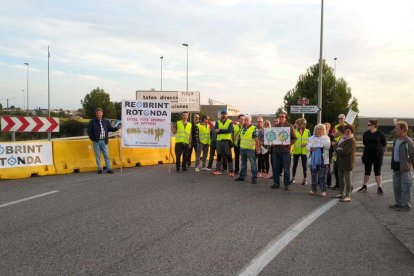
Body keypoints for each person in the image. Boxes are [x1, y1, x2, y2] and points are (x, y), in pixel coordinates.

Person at [389, 121, 414, 212]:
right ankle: (398, 203)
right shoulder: (396, 140)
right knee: (396, 186)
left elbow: (412, 155)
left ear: (403, 129)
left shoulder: (408, 141)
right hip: (396, 167)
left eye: (397, 128)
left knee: (406, 187)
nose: (395, 130)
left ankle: (406, 205)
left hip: (405, 168)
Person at [358, 120, 387, 194]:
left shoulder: (380, 134)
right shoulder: (366, 134)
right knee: (367, 170)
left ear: (374, 125)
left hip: (377, 155)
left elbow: (384, 143)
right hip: (367, 155)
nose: (368, 126)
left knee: (377, 171)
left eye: (369, 124)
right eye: (368, 124)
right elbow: (364, 143)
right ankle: (364, 186)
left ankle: (379, 187)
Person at [87, 108, 119, 174]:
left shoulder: (106, 121)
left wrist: (117, 128)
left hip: (104, 141)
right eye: (97, 113)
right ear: (96, 114)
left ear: (102, 113)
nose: (98, 114)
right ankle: (99, 169)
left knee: (106, 155)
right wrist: (93, 139)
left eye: (99, 113)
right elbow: (89, 131)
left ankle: (108, 169)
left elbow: (110, 129)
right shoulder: (92, 122)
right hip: (96, 142)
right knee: (97, 156)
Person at [270, 112, 297, 191]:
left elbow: (294, 138)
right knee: (275, 167)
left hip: (285, 151)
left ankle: (286, 184)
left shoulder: (290, 126)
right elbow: (272, 137)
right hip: (276, 150)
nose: (281, 118)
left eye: (282, 117)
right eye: (280, 116)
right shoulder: (275, 127)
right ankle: (276, 183)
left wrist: (288, 143)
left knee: (286, 168)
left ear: (286, 118)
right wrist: (271, 142)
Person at [332, 125, 356, 202]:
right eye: (345, 131)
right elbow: (335, 146)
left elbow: (345, 152)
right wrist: (338, 149)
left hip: (348, 162)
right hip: (340, 161)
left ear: (351, 131)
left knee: (347, 179)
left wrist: (337, 149)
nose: (346, 132)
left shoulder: (351, 141)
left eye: (348, 131)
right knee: (341, 179)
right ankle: (341, 193)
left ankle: (348, 195)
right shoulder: (343, 138)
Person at [307, 124, 331, 197]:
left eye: (321, 129)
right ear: (315, 130)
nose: (319, 131)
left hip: (322, 160)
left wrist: (320, 142)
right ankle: (313, 189)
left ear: (324, 130)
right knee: (313, 175)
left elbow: (328, 146)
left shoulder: (326, 138)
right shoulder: (311, 138)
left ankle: (323, 190)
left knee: (322, 176)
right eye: (318, 129)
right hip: (313, 160)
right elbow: (307, 147)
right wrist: (311, 148)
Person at [235, 115, 259, 184]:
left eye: (246, 120)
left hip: (250, 149)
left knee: (253, 164)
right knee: (243, 163)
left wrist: (257, 149)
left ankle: (254, 178)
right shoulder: (242, 128)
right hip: (242, 148)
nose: (245, 121)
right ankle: (242, 176)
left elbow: (256, 140)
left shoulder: (254, 128)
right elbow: (240, 137)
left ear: (250, 121)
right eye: (244, 120)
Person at [213, 110, 235, 176]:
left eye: (224, 114)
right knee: (219, 156)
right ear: (221, 115)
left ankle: (231, 171)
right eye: (222, 114)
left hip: (227, 141)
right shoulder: (218, 122)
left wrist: (220, 130)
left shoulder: (230, 122)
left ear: (227, 115)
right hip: (219, 141)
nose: (223, 115)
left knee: (229, 156)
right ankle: (218, 170)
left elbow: (230, 131)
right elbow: (215, 131)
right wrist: (222, 131)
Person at [291, 118, 310, 185]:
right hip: (296, 150)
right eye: (303, 123)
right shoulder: (295, 131)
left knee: (304, 166)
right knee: (295, 165)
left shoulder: (308, 131)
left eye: (305, 123)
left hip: (304, 151)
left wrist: (306, 144)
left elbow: (311, 140)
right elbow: (292, 140)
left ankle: (305, 179)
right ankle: (293, 178)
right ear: (300, 124)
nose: (305, 125)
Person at [331, 125, 344, 190]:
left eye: (338, 131)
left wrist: (334, 146)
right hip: (336, 157)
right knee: (336, 170)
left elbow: (340, 148)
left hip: (341, 158)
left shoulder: (344, 138)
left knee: (341, 172)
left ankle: (346, 186)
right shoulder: (339, 137)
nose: (337, 132)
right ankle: (338, 184)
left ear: (341, 131)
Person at [324, 122, 335, 188]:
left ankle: (329, 183)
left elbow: (333, 145)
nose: (325, 128)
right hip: (321, 154)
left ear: (329, 128)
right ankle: (320, 182)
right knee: (320, 168)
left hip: (329, 154)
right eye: (324, 127)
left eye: (327, 127)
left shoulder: (331, 136)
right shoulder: (321, 135)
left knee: (328, 169)